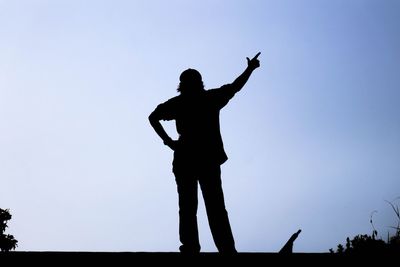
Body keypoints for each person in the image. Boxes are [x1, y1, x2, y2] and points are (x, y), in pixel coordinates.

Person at [148, 52, 261, 254]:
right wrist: (249, 69)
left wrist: (169, 142)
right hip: (202, 158)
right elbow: (234, 87)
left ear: (182, 85)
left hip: (189, 158)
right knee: (213, 206)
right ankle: (224, 248)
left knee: (191, 206)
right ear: (199, 83)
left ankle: (195, 247)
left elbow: (153, 117)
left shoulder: (181, 103)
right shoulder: (208, 99)